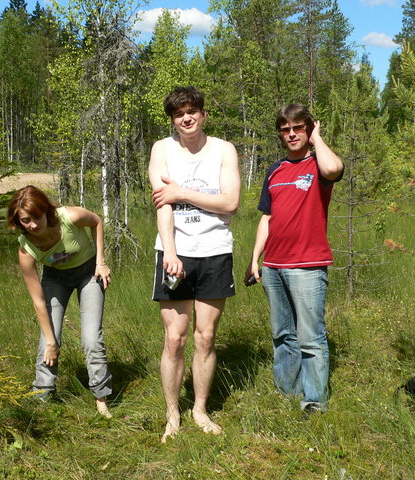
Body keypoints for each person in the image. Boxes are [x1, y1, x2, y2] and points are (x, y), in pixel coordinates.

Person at [148, 86, 240, 442]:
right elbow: (163, 205)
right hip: (175, 252)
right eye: (178, 114)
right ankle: (173, 412)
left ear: (203, 114)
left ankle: (199, 409)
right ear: (173, 120)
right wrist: (170, 252)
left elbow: (230, 202)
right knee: (175, 338)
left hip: (215, 251)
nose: (186, 118)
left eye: (192, 111)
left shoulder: (223, 150)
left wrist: (182, 191)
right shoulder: (162, 150)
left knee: (206, 336)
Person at [245, 104, 343, 413]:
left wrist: (317, 138)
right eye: (285, 129)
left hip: (307, 265)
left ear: (308, 129)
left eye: (298, 128)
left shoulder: (317, 165)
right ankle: (287, 391)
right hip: (273, 266)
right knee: (282, 334)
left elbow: (334, 170)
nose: (291, 134)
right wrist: (254, 260)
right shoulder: (275, 170)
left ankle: (313, 400)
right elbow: (267, 218)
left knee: (310, 338)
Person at [6, 186, 113, 417]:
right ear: (18, 222)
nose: (33, 225)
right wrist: (52, 341)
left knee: (91, 338)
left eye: (36, 217)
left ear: (46, 211)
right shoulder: (26, 249)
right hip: (55, 278)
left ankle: (101, 396)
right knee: (47, 341)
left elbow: (96, 221)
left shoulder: (69, 217)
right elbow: (38, 301)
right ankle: (42, 396)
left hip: (88, 273)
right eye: (26, 220)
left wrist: (101, 262)